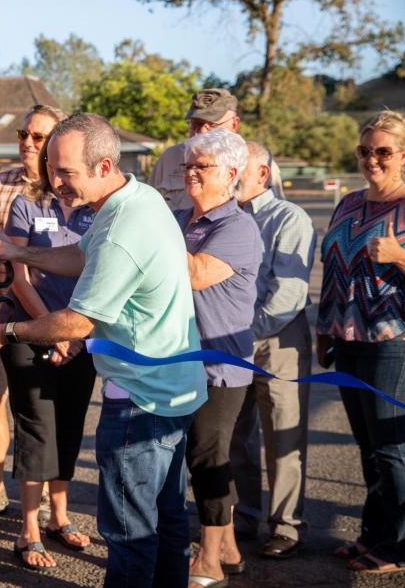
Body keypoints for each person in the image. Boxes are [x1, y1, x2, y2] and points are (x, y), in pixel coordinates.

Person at [0, 113, 207, 588]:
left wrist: (7, 332)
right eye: (51, 168)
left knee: (130, 534)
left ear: (101, 166)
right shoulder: (132, 200)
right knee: (168, 521)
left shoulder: (122, 226)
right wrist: (19, 254)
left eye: (65, 172)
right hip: (171, 391)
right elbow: (81, 257)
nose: (54, 181)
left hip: (142, 401)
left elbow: (78, 321)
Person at [316, 110, 405, 573]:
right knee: (367, 446)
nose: (372, 159)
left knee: (392, 450)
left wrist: (399, 255)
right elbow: (332, 272)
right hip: (347, 338)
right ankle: (373, 535)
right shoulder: (348, 202)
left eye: (382, 151)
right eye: (364, 151)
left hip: (394, 339)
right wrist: (324, 330)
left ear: (403, 155)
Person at [172, 129, 262, 588]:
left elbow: (195, 274)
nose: (190, 172)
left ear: (230, 174)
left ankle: (207, 559)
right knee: (203, 455)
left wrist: (152, 237)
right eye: (188, 164)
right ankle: (226, 546)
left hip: (221, 366)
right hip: (184, 362)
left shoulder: (238, 226)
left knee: (208, 459)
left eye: (200, 166)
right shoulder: (180, 219)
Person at [0, 138, 96, 571]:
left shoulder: (100, 210)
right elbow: (17, 274)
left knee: (70, 425)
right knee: (36, 428)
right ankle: (29, 530)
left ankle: (59, 517)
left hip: (85, 335)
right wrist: (52, 333)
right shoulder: (26, 204)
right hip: (32, 332)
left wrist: (75, 333)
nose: (58, 173)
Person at [0, 104, 66, 523]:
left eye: (38, 137)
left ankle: (43, 494)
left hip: (49, 314)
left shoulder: (67, 188)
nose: (28, 143)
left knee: (41, 411)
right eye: (23, 135)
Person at [229, 141, 316, 559]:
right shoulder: (226, 218)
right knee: (235, 433)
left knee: (283, 432)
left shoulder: (289, 218)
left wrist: (244, 332)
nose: (230, 175)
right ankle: (243, 517)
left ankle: (285, 526)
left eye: (238, 168)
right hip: (233, 340)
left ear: (262, 173)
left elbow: (287, 295)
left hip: (278, 339)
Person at [150, 88, 284, 210]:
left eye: (212, 125)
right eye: (195, 124)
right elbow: (151, 209)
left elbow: (273, 217)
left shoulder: (258, 163)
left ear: (234, 124)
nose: (201, 132)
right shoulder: (170, 158)